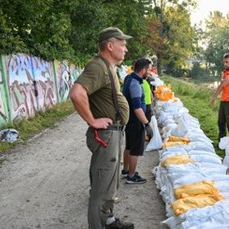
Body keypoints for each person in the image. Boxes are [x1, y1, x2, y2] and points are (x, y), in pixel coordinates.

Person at [70, 27, 134, 229]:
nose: (125, 49)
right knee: (101, 189)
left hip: (113, 134)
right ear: (110, 45)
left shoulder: (108, 67)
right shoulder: (98, 66)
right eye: (122, 45)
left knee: (110, 185)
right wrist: (92, 120)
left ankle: (109, 220)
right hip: (106, 135)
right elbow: (76, 93)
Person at [121, 58, 153, 184]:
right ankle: (131, 175)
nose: (149, 73)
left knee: (129, 145)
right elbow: (137, 108)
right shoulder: (135, 84)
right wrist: (146, 124)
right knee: (135, 149)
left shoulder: (129, 78)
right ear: (143, 70)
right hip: (136, 121)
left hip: (129, 120)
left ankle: (126, 169)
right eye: (149, 70)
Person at [210, 53, 229, 146]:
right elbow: (222, 82)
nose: (225, 64)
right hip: (224, 100)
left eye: (227, 62)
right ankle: (221, 142)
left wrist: (214, 96)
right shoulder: (226, 71)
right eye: (224, 62)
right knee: (220, 122)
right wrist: (222, 78)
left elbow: (223, 84)